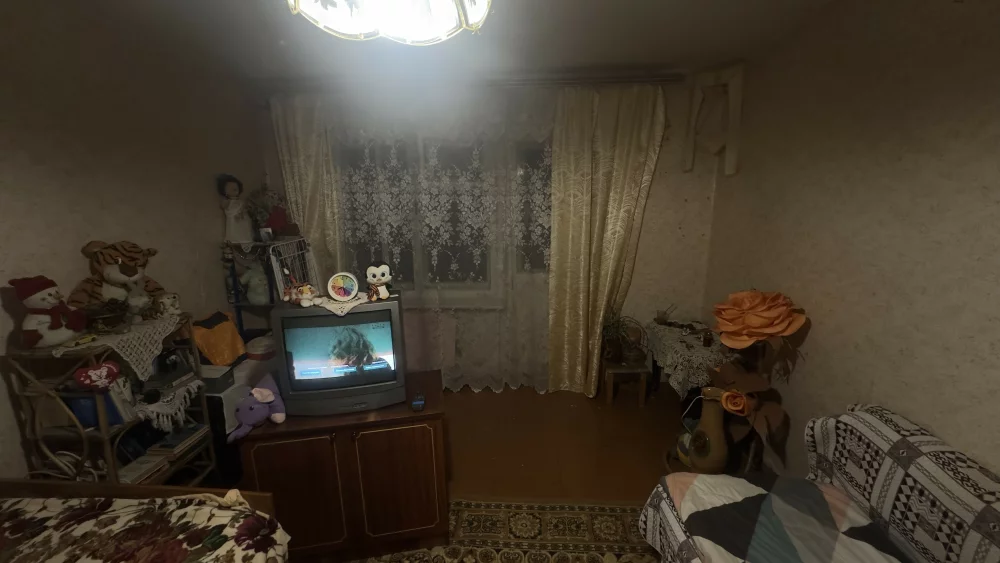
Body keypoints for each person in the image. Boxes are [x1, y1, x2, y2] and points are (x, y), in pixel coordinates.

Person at [218, 173, 254, 242]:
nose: (234, 188)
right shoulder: (227, 202)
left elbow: (247, 210)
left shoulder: (241, 202)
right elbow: (226, 208)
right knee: (235, 233)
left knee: (244, 230)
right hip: (233, 224)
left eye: (235, 187)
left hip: (242, 222)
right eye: (230, 187)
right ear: (224, 191)